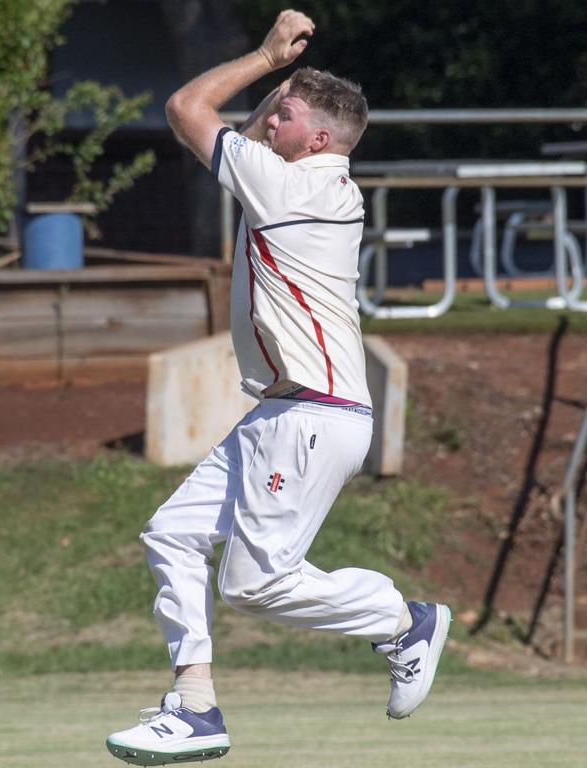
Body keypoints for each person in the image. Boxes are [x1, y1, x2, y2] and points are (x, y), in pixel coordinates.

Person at [105, 10, 450, 766]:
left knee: (255, 587)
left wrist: (263, 56)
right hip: (283, 412)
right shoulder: (296, 175)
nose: (266, 118)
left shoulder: (290, 187)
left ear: (317, 139)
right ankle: (194, 708)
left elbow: (186, 110)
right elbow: (247, 125)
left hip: (311, 417)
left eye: (284, 112)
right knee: (172, 533)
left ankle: (401, 619)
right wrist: (283, 84)